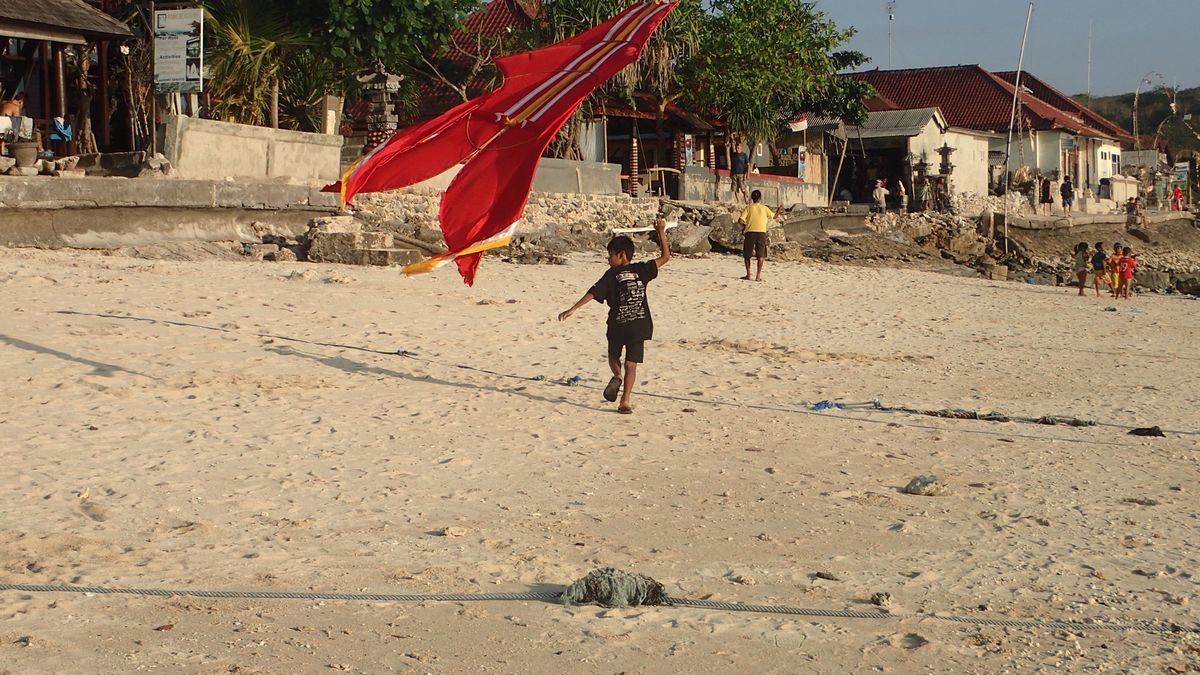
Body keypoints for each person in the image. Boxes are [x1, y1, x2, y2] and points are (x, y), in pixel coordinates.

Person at [558, 216, 671, 415]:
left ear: (621, 255)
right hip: (633, 324)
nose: (608, 259)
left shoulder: (618, 273)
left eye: (610, 255)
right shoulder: (638, 270)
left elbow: (593, 292)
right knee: (626, 362)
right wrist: (661, 231)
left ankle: (621, 387)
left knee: (619, 359)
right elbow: (665, 257)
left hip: (625, 326)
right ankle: (622, 391)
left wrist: (573, 308)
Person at [739, 189, 775, 282]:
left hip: (750, 232)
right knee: (761, 255)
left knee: (747, 255)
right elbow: (774, 216)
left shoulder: (748, 208)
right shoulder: (765, 208)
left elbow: (741, 220)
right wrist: (778, 211)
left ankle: (748, 274)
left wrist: (744, 226)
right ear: (760, 198)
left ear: (752, 198)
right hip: (761, 233)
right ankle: (758, 276)